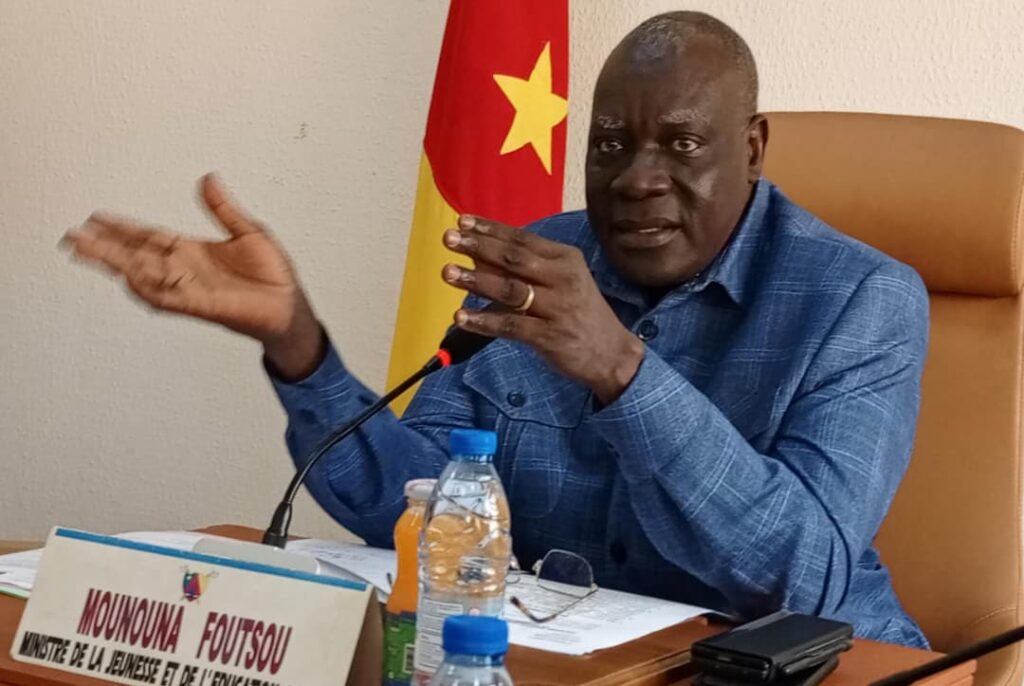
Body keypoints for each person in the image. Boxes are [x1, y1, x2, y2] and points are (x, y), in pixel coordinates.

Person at [63, 11, 929, 647]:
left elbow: (809, 574)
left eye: (682, 144)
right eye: (610, 145)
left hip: (800, 668)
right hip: (560, 660)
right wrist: (296, 341)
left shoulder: (863, 301)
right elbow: (419, 504)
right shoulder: (539, 259)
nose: (637, 179)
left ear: (754, 147)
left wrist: (622, 371)